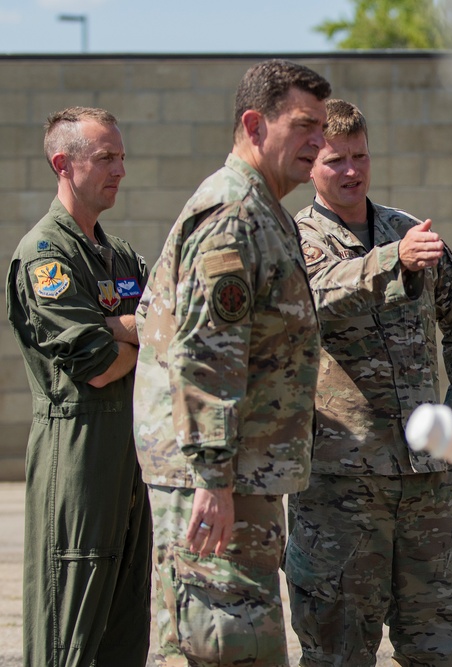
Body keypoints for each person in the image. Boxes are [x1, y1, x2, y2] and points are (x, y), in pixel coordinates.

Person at [132, 59, 330, 666]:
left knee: (206, 643)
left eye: (321, 127)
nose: (318, 142)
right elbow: (204, 357)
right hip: (223, 481)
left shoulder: (262, 209)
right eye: (303, 125)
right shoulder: (234, 214)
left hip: (242, 475)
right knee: (229, 646)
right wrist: (213, 478)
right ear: (254, 124)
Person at [284, 99, 452, 667]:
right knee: (338, 650)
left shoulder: (409, 232)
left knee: (437, 643)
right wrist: (390, 263)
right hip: (340, 487)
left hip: (428, 483)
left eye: (360, 157)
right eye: (335, 161)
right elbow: (312, 303)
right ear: (308, 166)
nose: (351, 172)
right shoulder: (292, 240)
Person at [6, 107, 151, 666]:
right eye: (106, 157)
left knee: (124, 627)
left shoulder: (120, 256)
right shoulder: (46, 254)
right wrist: (140, 332)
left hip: (130, 456)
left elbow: (167, 326)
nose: (120, 169)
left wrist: (123, 329)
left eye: (122, 156)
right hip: (79, 452)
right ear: (63, 163)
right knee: (70, 626)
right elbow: (96, 364)